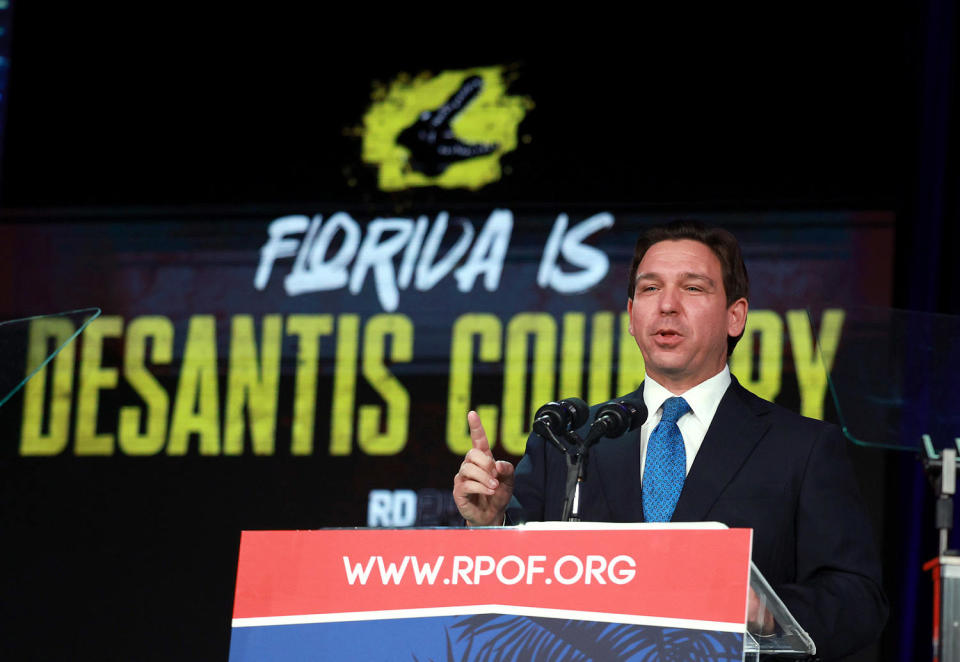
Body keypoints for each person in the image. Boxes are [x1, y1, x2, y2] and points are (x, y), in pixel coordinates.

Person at [453, 220, 887, 661]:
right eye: (649, 289)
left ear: (735, 316)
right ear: (630, 315)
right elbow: (506, 596)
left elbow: (858, 599)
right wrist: (488, 526)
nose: (667, 306)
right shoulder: (570, 441)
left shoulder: (803, 447)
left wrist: (770, 612)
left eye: (693, 288)